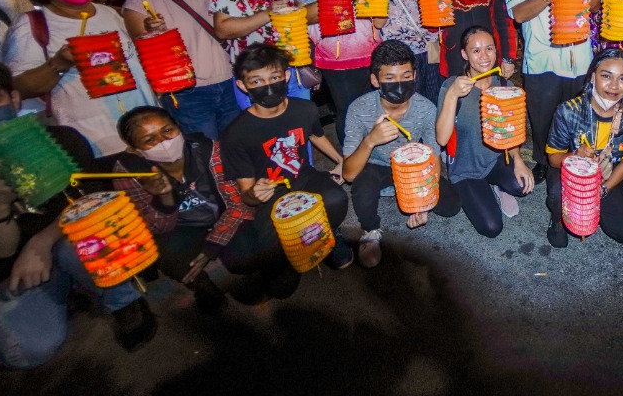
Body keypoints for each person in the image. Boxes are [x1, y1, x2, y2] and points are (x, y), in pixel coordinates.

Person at [0, 61, 156, 368]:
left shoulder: (62, 140)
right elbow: (1, 250)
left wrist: (41, 241)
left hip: (74, 244)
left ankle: (123, 300)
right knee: (21, 350)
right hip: (19, 267)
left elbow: (93, 204)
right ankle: (67, 292)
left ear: (14, 99)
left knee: (82, 240)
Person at [110, 106, 270, 310]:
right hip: (179, 228)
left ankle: (244, 277)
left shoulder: (208, 150)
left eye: (167, 131)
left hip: (222, 215)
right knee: (175, 260)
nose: (164, 142)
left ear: (178, 127)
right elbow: (156, 228)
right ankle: (203, 288)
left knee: (246, 256)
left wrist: (212, 246)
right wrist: (164, 198)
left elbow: (238, 204)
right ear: (134, 149)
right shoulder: (129, 173)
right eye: (150, 140)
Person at [5, 0, 155, 156]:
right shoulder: (31, 25)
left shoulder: (111, 14)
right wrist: (59, 63)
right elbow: (17, 87)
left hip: (148, 134)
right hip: (96, 145)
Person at [219, 43, 352, 274]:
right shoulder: (235, 133)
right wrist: (254, 194)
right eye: (256, 81)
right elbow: (246, 192)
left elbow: (315, 135)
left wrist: (341, 161)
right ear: (242, 85)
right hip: (270, 192)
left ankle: (327, 233)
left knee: (336, 198)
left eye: (274, 77)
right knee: (270, 258)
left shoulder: (305, 109)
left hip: (304, 177)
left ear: (286, 76)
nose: (268, 86)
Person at [506, 0, 604, 183]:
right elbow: (518, 13)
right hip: (542, 59)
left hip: (580, 58)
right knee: (542, 118)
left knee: (578, 119)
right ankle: (541, 160)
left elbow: (597, 3)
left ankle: (574, 163)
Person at [341, 40, 460, 267]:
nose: (399, 83)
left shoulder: (426, 108)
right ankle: (370, 231)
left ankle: (402, 192)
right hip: (377, 166)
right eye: (389, 78)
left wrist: (421, 202)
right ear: (375, 80)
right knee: (362, 187)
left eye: (406, 76)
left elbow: (434, 157)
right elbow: (348, 173)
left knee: (451, 205)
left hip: (412, 167)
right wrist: (370, 140)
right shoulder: (359, 108)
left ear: (414, 76)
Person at [123, 0, 239, 140]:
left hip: (230, 83)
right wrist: (150, 31)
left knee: (236, 148)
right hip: (187, 94)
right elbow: (142, 45)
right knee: (206, 152)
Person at [292, 0, 384, 141]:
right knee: (351, 113)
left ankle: (376, 156)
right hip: (338, 57)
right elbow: (300, 15)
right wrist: (329, 0)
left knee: (376, 111)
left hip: (372, 50)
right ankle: (353, 158)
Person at [544, 48, 623, 248]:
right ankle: (557, 219)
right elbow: (553, 159)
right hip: (570, 174)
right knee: (557, 195)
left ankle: (591, 211)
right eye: (606, 76)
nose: (614, 85)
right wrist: (576, 154)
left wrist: (602, 189)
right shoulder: (569, 110)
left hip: (605, 176)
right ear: (593, 77)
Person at [435, 26, 533, 237]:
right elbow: (441, 138)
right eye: (476, 50)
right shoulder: (452, 85)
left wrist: (518, 160)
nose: (484, 56)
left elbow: (511, 131)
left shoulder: (504, 85)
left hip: (496, 159)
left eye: (489, 48)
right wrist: (452, 95)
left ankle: (500, 185)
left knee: (523, 184)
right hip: (465, 168)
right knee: (491, 227)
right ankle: (481, 188)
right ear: (464, 54)